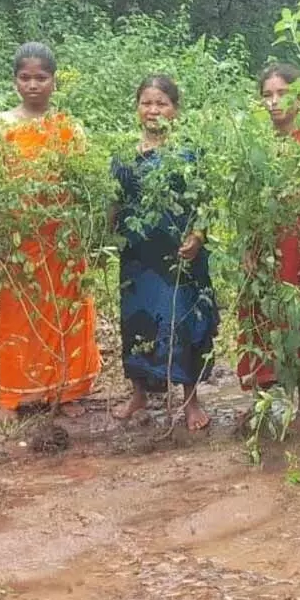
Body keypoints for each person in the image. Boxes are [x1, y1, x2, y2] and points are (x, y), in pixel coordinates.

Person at [0, 42, 102, 420]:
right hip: (20, 237)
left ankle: (65, 392)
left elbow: (82, 182)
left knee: (66, 309)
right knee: (18, 313)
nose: (33, 85)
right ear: (14, 80)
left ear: (54, 81)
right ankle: (11, 396)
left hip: (61, 238)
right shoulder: (0, 126)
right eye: (25, 78)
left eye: (41, 78)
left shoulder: (69, 127)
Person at [110, 75, 218, 430]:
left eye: (162, 103)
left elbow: (205, 200)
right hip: (139, 258)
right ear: (136, 108)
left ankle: (190, 400)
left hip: (180, 255)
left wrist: (199, 236)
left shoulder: (189, 153)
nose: (153, 110)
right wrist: (103, 235)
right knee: (137, 322)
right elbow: (114, 201)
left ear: (176, 109)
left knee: (182, 322)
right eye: (146, 102)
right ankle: (140, 394)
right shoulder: (124, 155)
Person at [236, 63, 300, 417]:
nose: (274, 102)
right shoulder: (255, 145)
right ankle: (261, 408)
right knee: (260, 318)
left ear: (299, 98)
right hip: (264, 248)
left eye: (281, 94)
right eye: (267, 95)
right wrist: (247, 245)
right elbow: (247, 202)